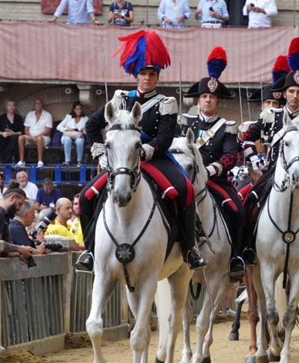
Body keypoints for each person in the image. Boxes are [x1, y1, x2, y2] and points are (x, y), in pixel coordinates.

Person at [75, 30, 206, 272]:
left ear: (157, 77)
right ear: (136, 74)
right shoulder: (120, 99)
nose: (147, 78)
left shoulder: (166, 103)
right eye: (143, 73)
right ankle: (90, 250)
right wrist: (101, 153)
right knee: (85, 196)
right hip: (121, 162)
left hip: (153, 159)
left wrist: (147, 151)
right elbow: (93, 125)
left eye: (152, 74)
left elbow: (165, 137)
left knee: (185, 189)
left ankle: (189, 248)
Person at [241, 37, 299, 267]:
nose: (294, 96)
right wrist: (256, 157)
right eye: (291, 91)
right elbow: (248, 139)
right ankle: (246, 249)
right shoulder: (270, 116)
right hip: (271, 172)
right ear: (284, 93)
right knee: (247, 201)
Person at [181, 46, 246, 279]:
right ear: (199, 100)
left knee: (238, 211)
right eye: (204, 96)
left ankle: (237, 257)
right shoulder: (185, 122)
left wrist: (208, 170)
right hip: (185, 179)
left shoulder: (227, 126)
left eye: (212, 97)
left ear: (218, 101)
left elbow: (229, 156)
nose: (208, 100)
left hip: (215, 181)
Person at [0, 188, 35, 261]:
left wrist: (21, 253)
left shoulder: (3, 216)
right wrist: (19, 249)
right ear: (12, 198)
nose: (19, 209)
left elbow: (2, 251)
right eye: (19, 204)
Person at [17, 98, 53, 168]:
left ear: (42, 104)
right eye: (36, 103)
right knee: (20, 138)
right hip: (31, 136)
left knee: (39, 139)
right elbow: (26, 129)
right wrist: (29, 135)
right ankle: (21, 161)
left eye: (39, 103)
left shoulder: (48, 115)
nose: (38, 105)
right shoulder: (29, 114)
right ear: (34, 105)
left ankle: (40, 161)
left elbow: (48, 130)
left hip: (43, 137)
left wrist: (37, 136)